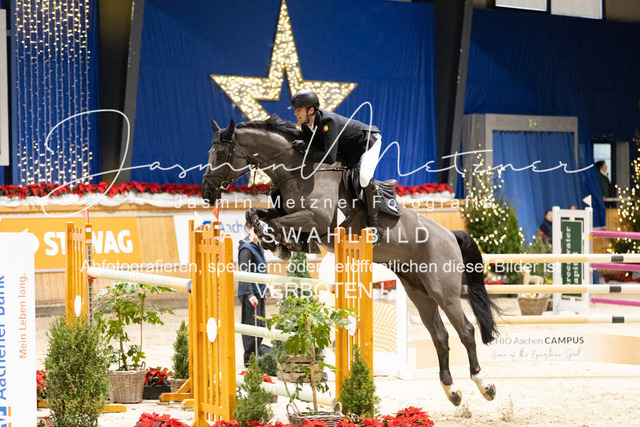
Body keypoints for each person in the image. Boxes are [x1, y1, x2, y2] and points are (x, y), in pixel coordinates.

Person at [289, 89, 384, 242]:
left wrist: (306, 151)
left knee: (365, 178)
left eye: (299, 109)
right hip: (347, 151)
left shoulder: (328, 123)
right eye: (295, 110)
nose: (295, 113)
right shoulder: (306, 126)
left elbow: (329, 157)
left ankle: (375, 226)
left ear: (311, 110)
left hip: (367, 143)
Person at [237, 223, 269, 367]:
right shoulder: (246, 249)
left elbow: (261, 270)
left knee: (260, 325)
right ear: (248, 230)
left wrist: (265, 290)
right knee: (251, 325)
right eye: (255, 229)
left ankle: (257, 355)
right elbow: (244, 273)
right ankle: (249, 359)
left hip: (259, 291)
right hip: (250, 292)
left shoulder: (258, 246)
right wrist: (250, 294)